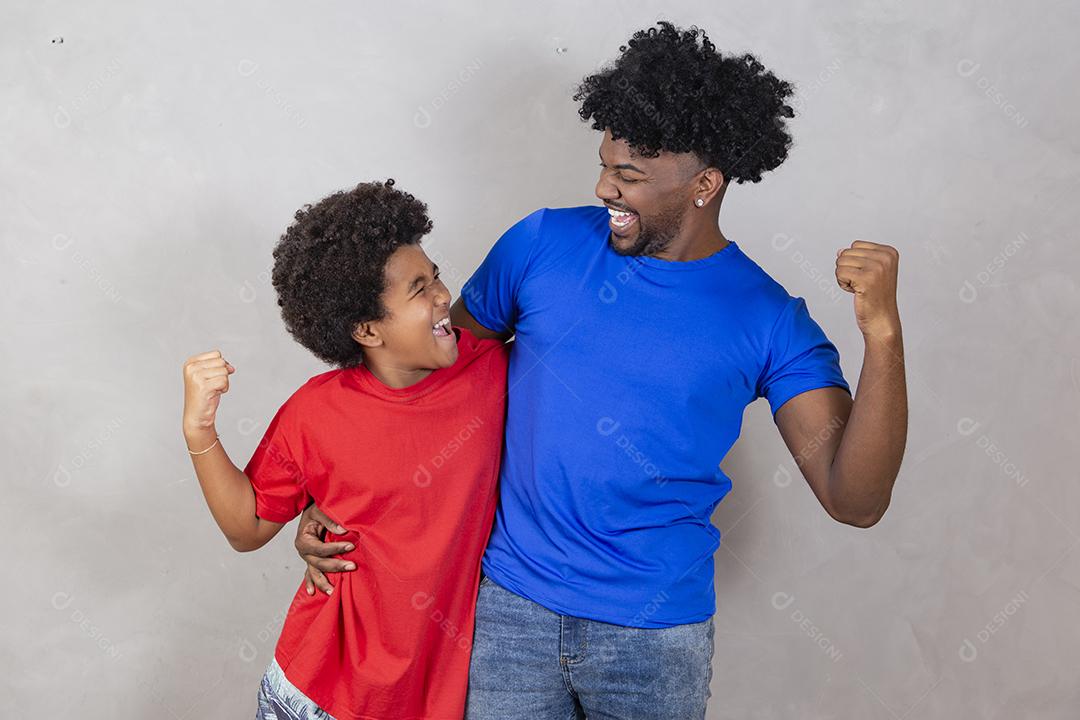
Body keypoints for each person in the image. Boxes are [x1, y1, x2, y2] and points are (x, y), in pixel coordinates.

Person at [297, 21, 908, 720]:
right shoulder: (541, 243)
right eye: (604, 165)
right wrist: (342, 500)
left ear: (705, 184)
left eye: (630, 176)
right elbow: (427, 385)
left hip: (654, 635)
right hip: (508, 610)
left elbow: (854, 499)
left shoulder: (768, 318)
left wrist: (882, 338)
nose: (603, 187)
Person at [181, 179, 510, 719]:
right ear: (366, 330)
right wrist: (200, 431)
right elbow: (246, 528)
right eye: (418, 289)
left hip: (437, 697)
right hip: (318, 692)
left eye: (436, 277)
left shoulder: (491, 370)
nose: (443, 296)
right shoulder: (315, 413)